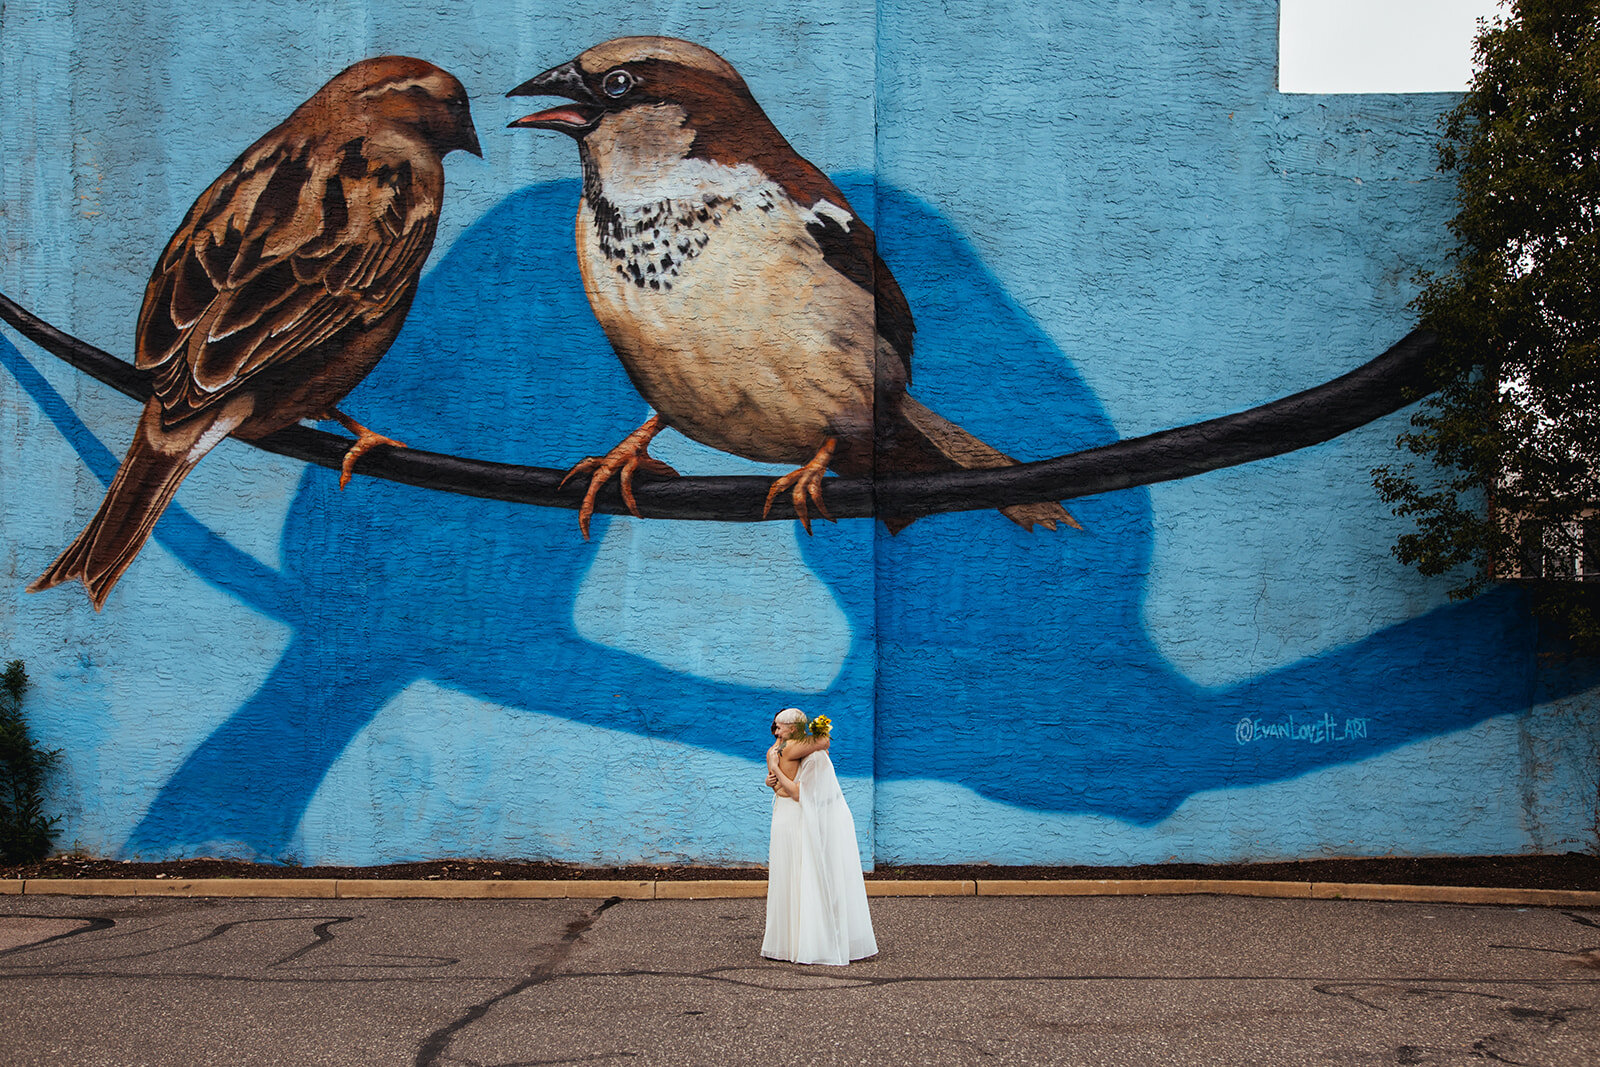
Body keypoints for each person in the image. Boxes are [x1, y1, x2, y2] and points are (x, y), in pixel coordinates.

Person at [761, 707, 877, 965]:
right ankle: (806, 939)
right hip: (791, 813)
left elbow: (820, 744)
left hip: (788, 813)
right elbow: (823, 742)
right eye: (776, 727)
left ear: (793, 728)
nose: (776, 730)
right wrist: (776, 775)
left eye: (780, 726)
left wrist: (774, 775)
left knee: (794, 874)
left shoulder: (784, 750)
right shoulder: (792, 750)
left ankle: (793, 941)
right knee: (802, 873)